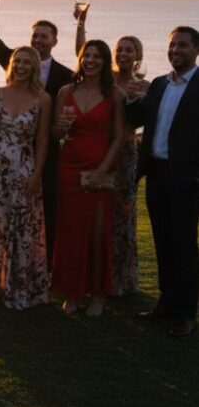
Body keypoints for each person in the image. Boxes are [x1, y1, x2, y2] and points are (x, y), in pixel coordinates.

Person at [0, 0, 73, 265]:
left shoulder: (66, 75)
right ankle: (4, 264)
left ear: (55, 41)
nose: (38, 40)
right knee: (5, 212)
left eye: (44, 36)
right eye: (35, 36)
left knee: (45, 209)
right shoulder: (17, 60)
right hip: (6, 157)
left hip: (45, 152)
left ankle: (44, 264)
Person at [126, 26, 199, 337]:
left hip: (186, 179)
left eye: (182, 45)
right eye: (172, 45)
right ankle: (166, 303)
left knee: (184, 247)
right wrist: (130, 98)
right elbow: (136, 119)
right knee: (163, 243)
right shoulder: (157, 84)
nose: (175, 51)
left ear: (196, 50)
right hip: (156, 175)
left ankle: (186, 313)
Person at [0, 47, 51, 309]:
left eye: (26, 62)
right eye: (17, 62)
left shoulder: (43, 99)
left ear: (34, 66)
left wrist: (37, 173)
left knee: (21, 227)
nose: (21, 66)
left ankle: (19, 286)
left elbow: (43, 139)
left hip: (24, 168)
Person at [51, 40, 126, 316]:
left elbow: (119, 136)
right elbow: (56, 134)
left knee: (97, 233)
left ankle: (97, 294)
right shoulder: (66, 91)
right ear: (81, 59)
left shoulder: (114, 94)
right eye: (87, 56)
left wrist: (103, 170)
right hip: (69, 168)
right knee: (70, 232)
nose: (90, 61)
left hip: (100, 166)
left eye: (97, 57)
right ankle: (71, 292)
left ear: (105, 62)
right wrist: (60, 128)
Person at [75, 13, 142, 294]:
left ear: (138, 56)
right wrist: (80, 25)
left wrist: (138, 99)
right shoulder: (106, 81)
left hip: (126, 156)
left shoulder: (143, 85)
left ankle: (122, 280)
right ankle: (98, 276)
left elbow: (143, 120)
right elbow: (82, 53)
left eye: (129, 50)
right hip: (101, 152)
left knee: (124, 216)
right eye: (119, 49)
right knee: (101, 217)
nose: (123, 54)